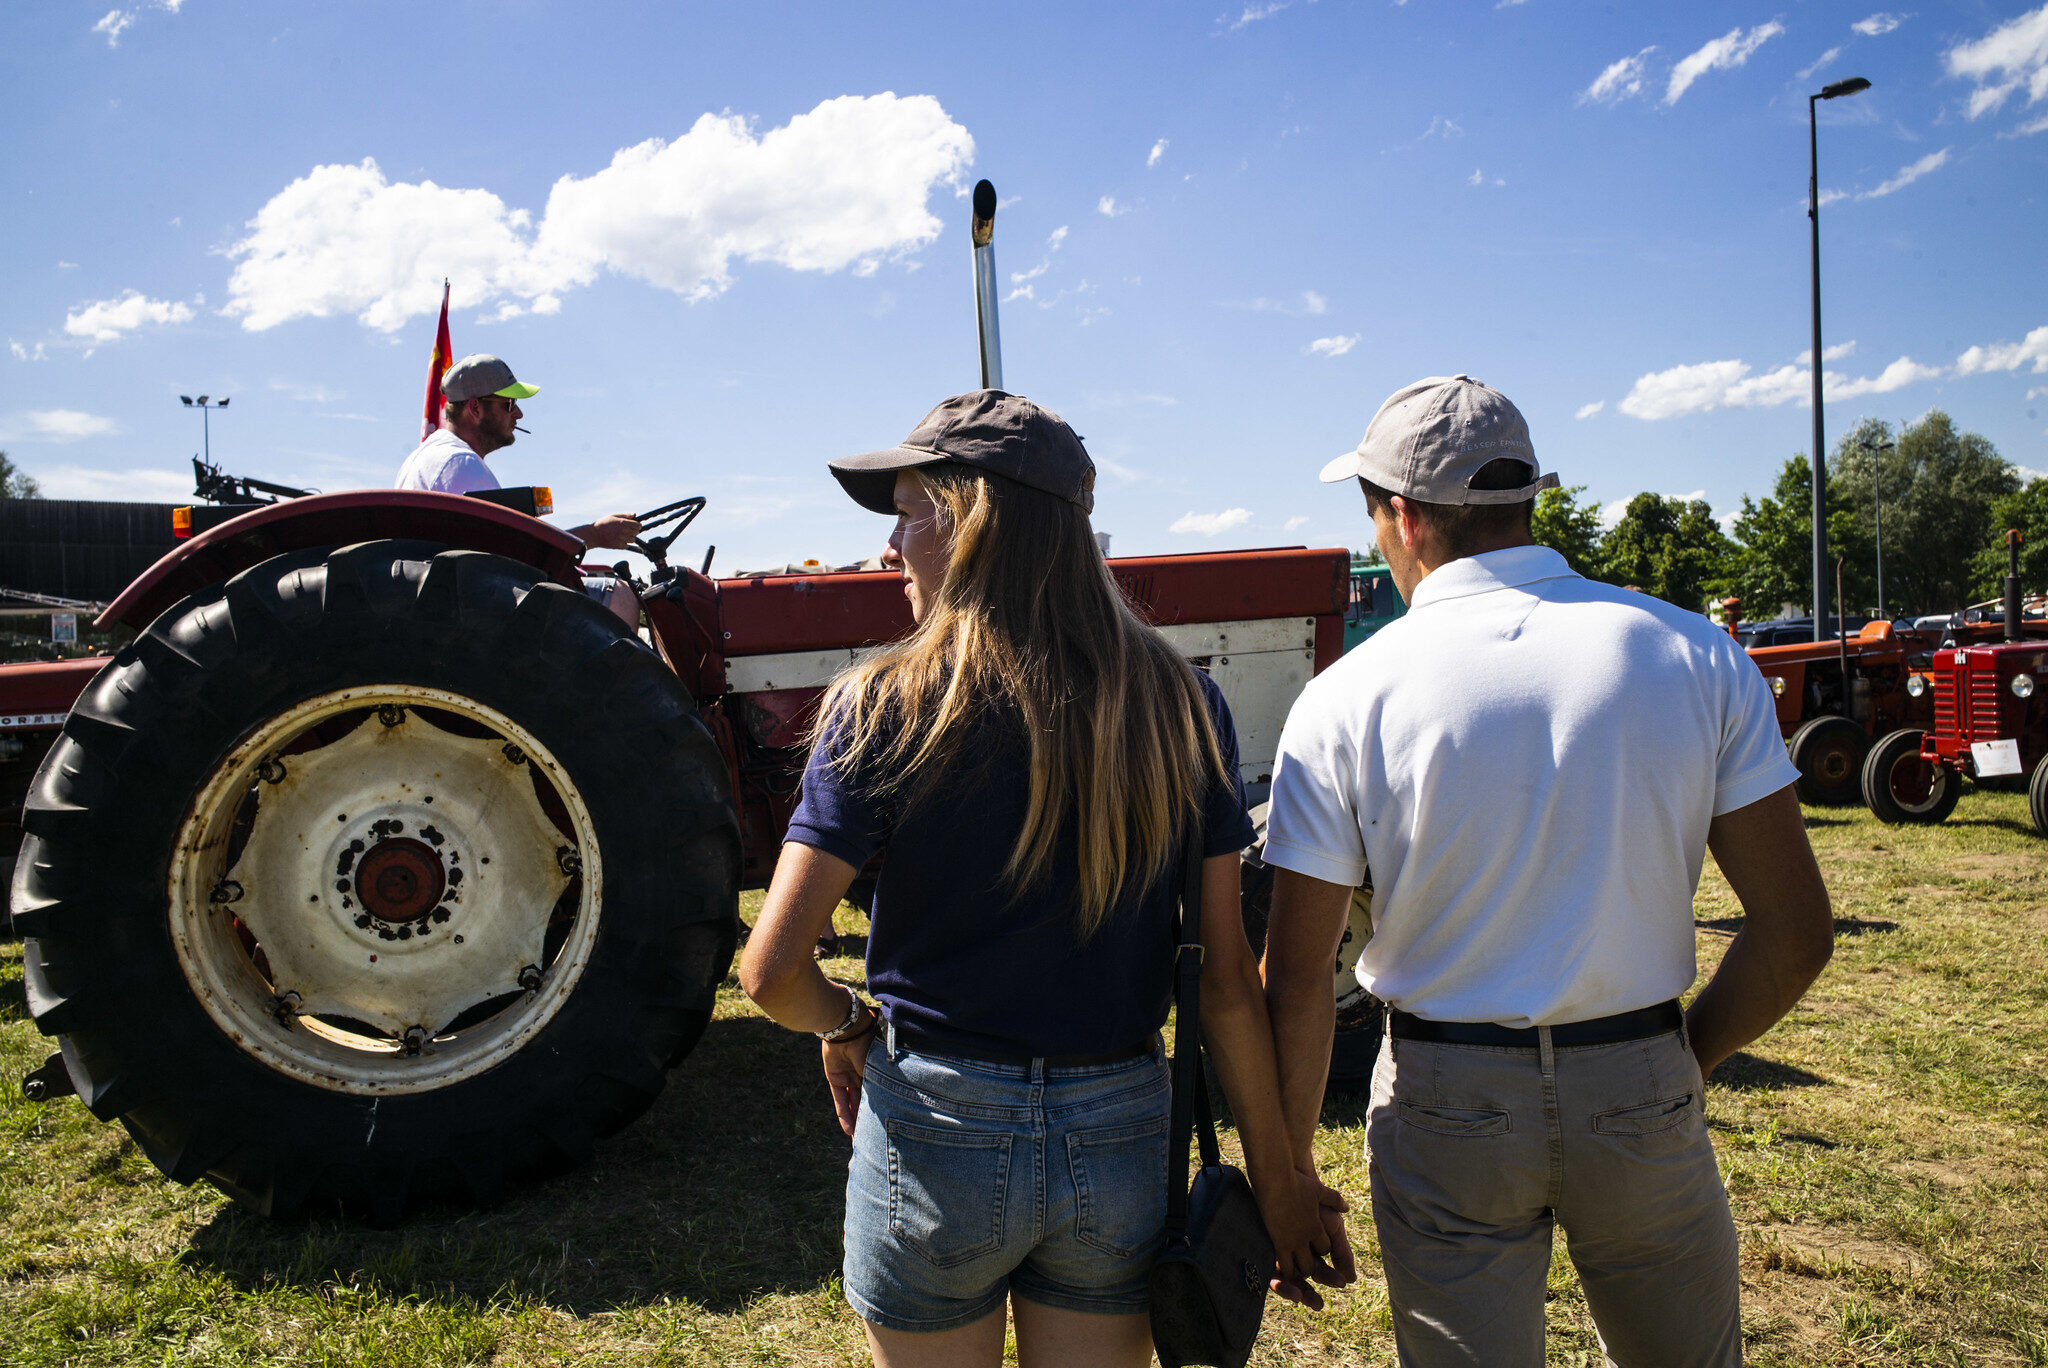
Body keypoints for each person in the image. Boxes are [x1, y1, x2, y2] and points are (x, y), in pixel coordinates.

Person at [739, 390, 1336, 1368]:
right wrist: (1277, 1176)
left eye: (910, 512)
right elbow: (1226, 978)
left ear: (972, 522)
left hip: (934, 1126)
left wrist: (846, 1027)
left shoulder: (878, 704)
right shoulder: (1184, 705)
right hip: (1120, 1128)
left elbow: (769, 974)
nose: (892, 543)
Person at [1259, 375, 1835, 1366]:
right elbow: (1793, 933)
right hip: (1639, 1074)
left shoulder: (1345, 696)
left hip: (1445, 1101)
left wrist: (1289, 1164)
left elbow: (1301, 976)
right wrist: (1674, 1066)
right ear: (1527, 499)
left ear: (1399, 516)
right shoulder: (1692, 654)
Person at [397, 353, 642, 552]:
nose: (519, 414)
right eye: (509, 404)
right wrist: (594, 534)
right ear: (474, 408)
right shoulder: (460, 464)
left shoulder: (431, 455)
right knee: (618, 593)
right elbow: (512, 558)